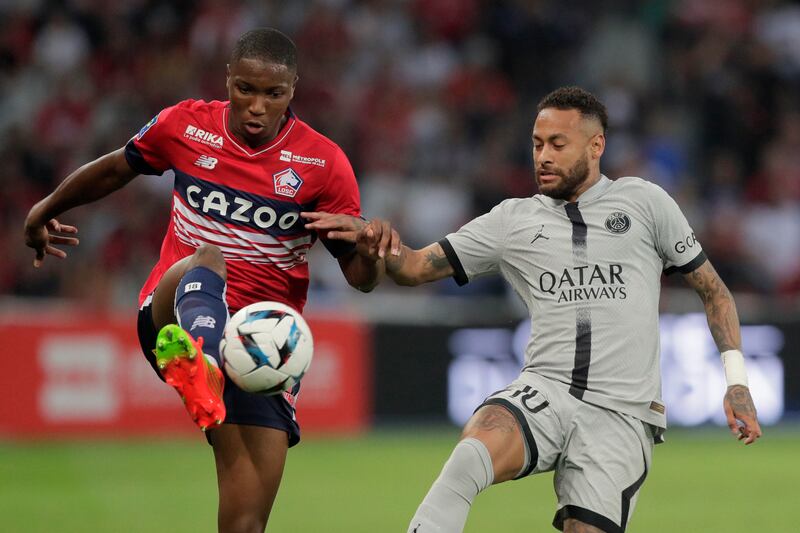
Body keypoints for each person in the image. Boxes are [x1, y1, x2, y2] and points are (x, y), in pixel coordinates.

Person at [305, 86, 762, 533]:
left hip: (622, 413)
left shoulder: (645, 203)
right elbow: (414, 268)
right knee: (469, 456)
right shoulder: (512, 220)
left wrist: (737, 383)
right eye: (537, 144)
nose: (542, 155)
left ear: (596, 145)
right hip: (546, 390)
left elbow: (715, 292)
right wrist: (373, 239)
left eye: (558, 144)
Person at [23, 28, 382, 533]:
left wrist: (366, 245)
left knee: (245, 522)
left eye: (272, 94)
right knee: (207, 256)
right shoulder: (186, 126)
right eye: (246, 90)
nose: (257, 106)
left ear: (292, 90)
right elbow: (115, 169)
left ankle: (211, 375)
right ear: (228, 80)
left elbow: (361, 280)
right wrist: (44, 208)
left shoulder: (324, 165)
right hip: (173, 313)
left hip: (261, 348)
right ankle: (204, 364)